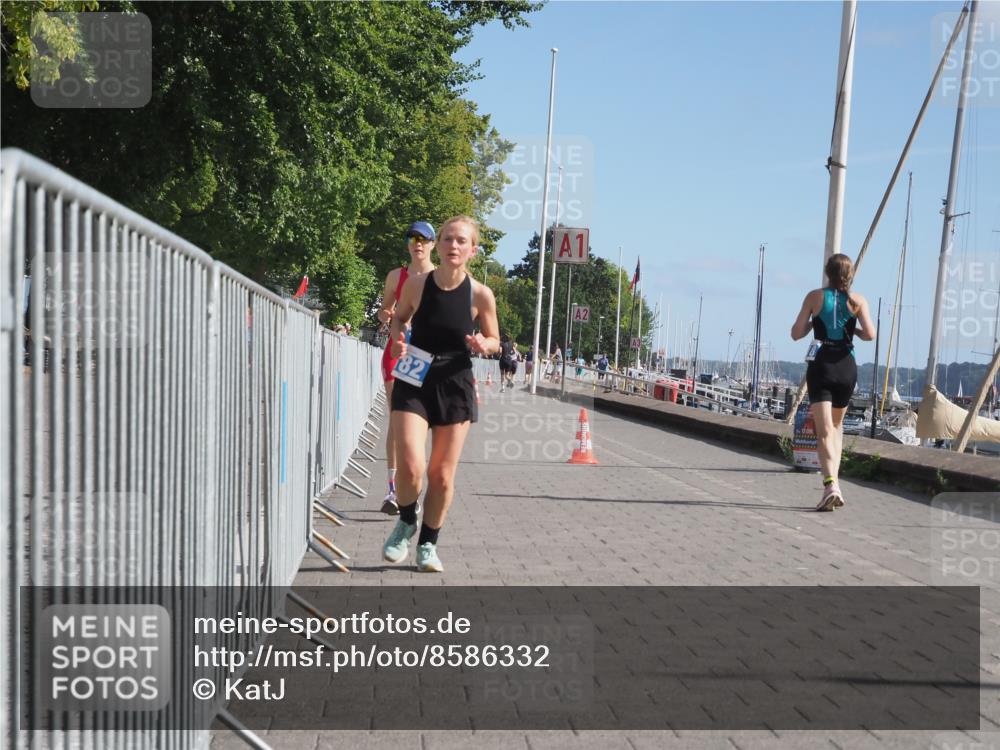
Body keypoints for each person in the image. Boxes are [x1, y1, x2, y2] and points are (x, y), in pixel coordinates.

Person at [383, 216, 500, 572]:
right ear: (440, 244)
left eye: (461, 241)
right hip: (415, 375)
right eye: (448, 238)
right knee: (411, 464)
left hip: (455, 380)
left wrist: (484, 343)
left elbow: (496, 340)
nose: (453, 245)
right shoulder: (417, 285)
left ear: (472, 250)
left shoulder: (480, 294)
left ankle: (428, 544)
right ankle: (405, 520)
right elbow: (399, 318)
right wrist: (398, 338)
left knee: (442, 475)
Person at [791, 253, 875, 512]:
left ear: (827, 272)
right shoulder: (858, 300)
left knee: (824, 430)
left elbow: (796, 333)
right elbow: (870, 335)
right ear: (849, 276)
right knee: (836, 428)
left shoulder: (814, 297)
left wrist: (814, 323)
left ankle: (830, 485)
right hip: (846, 367)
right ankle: (835, 483)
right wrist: (853, 331)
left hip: (822, 365)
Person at [377, 220, 437, 515]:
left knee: (418, 424)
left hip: (423, 355)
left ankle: (411, 485)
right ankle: (392, 488)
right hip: (396, 352)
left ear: (433, 245)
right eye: (412, 238)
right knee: (397, 419)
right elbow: (384, 311)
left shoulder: (441, 278)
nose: (418, 243)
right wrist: (385, 314)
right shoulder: (395, 276)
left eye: (424, 239)